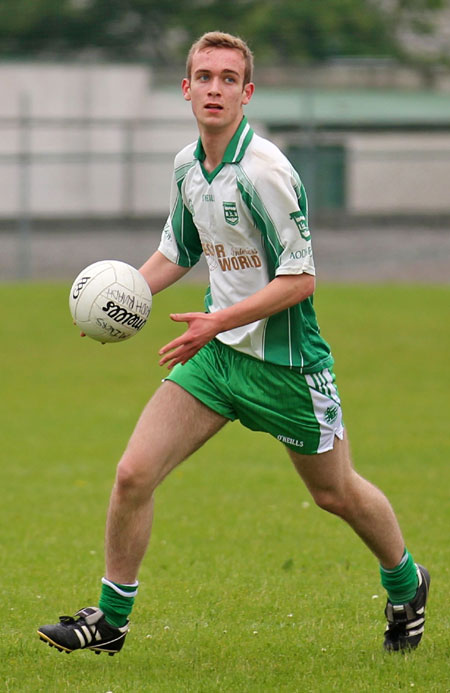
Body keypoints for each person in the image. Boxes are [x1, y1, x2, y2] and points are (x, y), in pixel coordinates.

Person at [37, 31, 429, 656]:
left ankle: (407, 583)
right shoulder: (188, 166)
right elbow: (179, 250)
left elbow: (301, 280)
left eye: (227, 78)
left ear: (246, 93)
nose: (214, 88)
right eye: (203, 76)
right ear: (185, 88)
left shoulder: (265, 171)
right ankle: (109, 622)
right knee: (134, 473)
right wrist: (122, 295)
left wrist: (217, 321)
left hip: (286, 368)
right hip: (216, 361)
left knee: (335, 493)